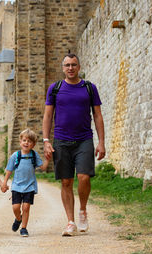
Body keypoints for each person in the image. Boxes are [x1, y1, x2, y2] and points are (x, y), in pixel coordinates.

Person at [42, 53, 105, 236]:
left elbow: (98, 115)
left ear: (79, 67)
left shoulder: (89, 88)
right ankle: (70, 222)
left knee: (84, 177)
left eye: (74, 65)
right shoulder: (55, 88)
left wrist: (101, 142)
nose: (70, 68)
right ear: (63, 68)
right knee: (66, 181)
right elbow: (47, 116)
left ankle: (83, 210)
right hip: (61, 140)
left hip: (84, 139)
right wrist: (46, 141)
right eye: (67, 65)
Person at [2, 129, 49, 237]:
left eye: (29, 141)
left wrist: (48, 159)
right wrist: (4, 183)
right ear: (20, 142)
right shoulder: (16, 155)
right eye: (24, 140)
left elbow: (42, 167)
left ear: (33, 144)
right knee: (15, 207)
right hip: (17, 186)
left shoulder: (34, 155)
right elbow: (9, 170)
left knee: (26, 207)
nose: (26, 143)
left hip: (30, 186)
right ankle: (18, 219)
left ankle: (23, 228)